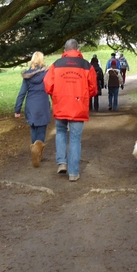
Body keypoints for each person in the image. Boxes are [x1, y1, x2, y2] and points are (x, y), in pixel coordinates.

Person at [43, 39, 98, 181]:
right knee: (75, 139)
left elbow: (48, 85)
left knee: (60, 132)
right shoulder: (86, 65)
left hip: (61, 105)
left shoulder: (56, 65)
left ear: (65, 50)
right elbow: (93, 88)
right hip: (78, 107)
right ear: (77, 49)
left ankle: (62, 162)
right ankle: (73, 173)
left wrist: (57, 95)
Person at [14, 51, 51, 166]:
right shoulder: (47, 74)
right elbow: (52, 89)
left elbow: (22, 93)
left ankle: (35, 151)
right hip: (43, 104)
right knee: (42, 130)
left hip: (31, 105)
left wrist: (17, 109)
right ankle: (38, 152)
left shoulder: (27, 76)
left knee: (33, 129)